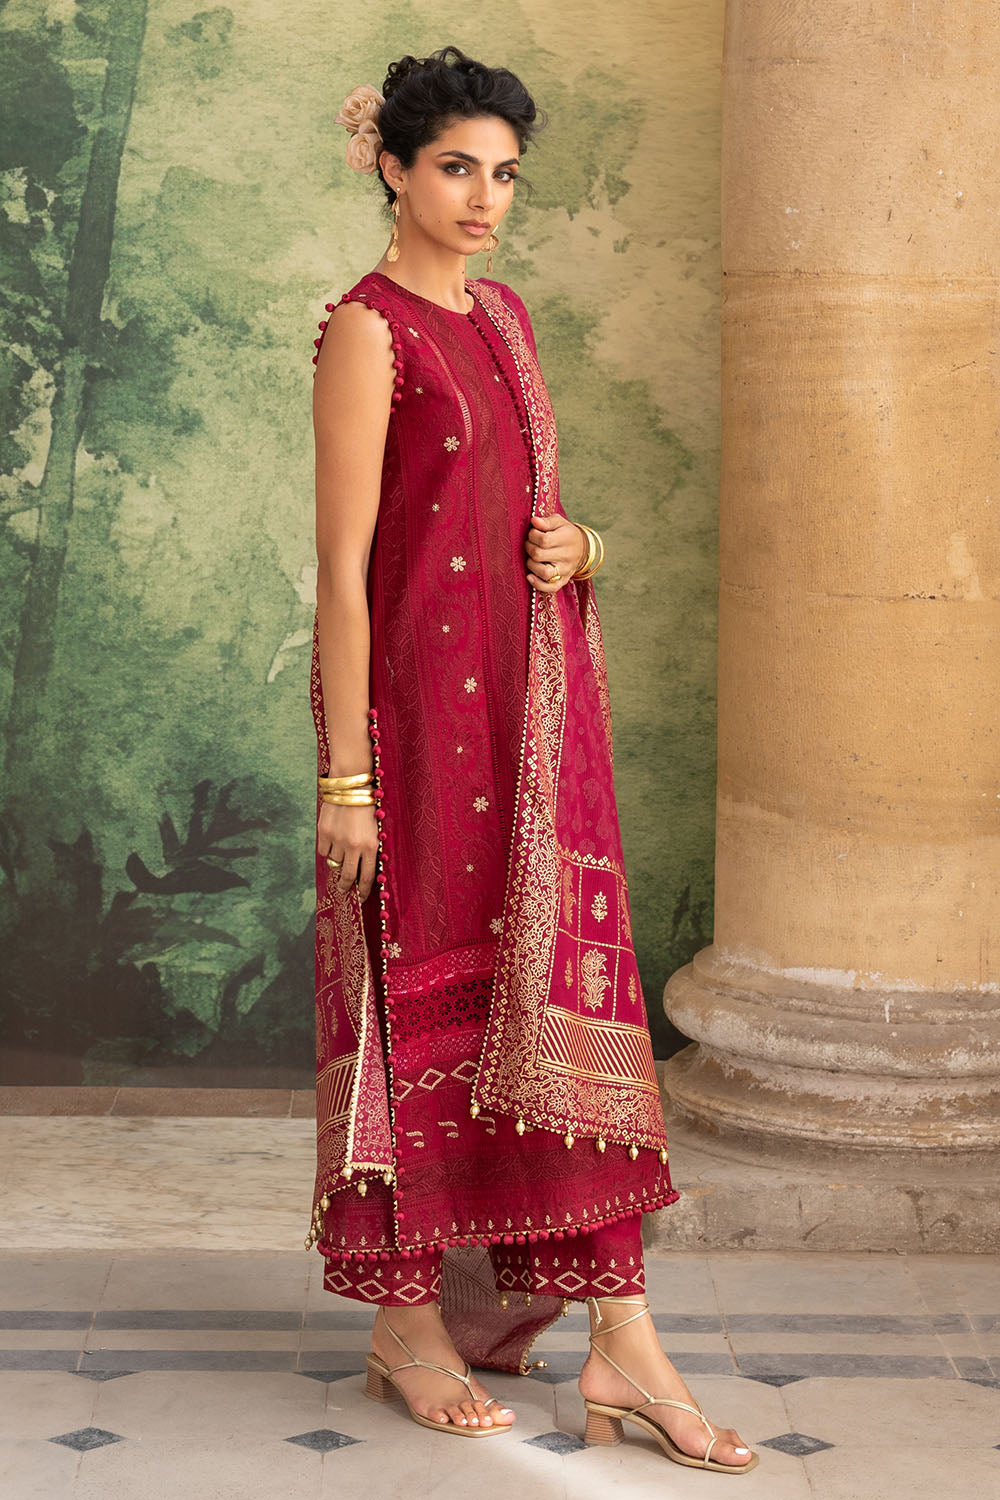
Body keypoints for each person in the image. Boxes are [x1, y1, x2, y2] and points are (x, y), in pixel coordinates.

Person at [305, 46, 758, 1474]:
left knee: (562, 1007)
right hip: (416, 728)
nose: (485, 197)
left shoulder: (505, 318)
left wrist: (580, 546)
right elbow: (343, 568)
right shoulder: (367, 330)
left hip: (533, 721)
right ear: (391, 166)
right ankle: (406, 1326)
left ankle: (624, 1335)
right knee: (421, 1000)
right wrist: (348, 779)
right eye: (457, 167)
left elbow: (525, 509)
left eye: (504, 174)